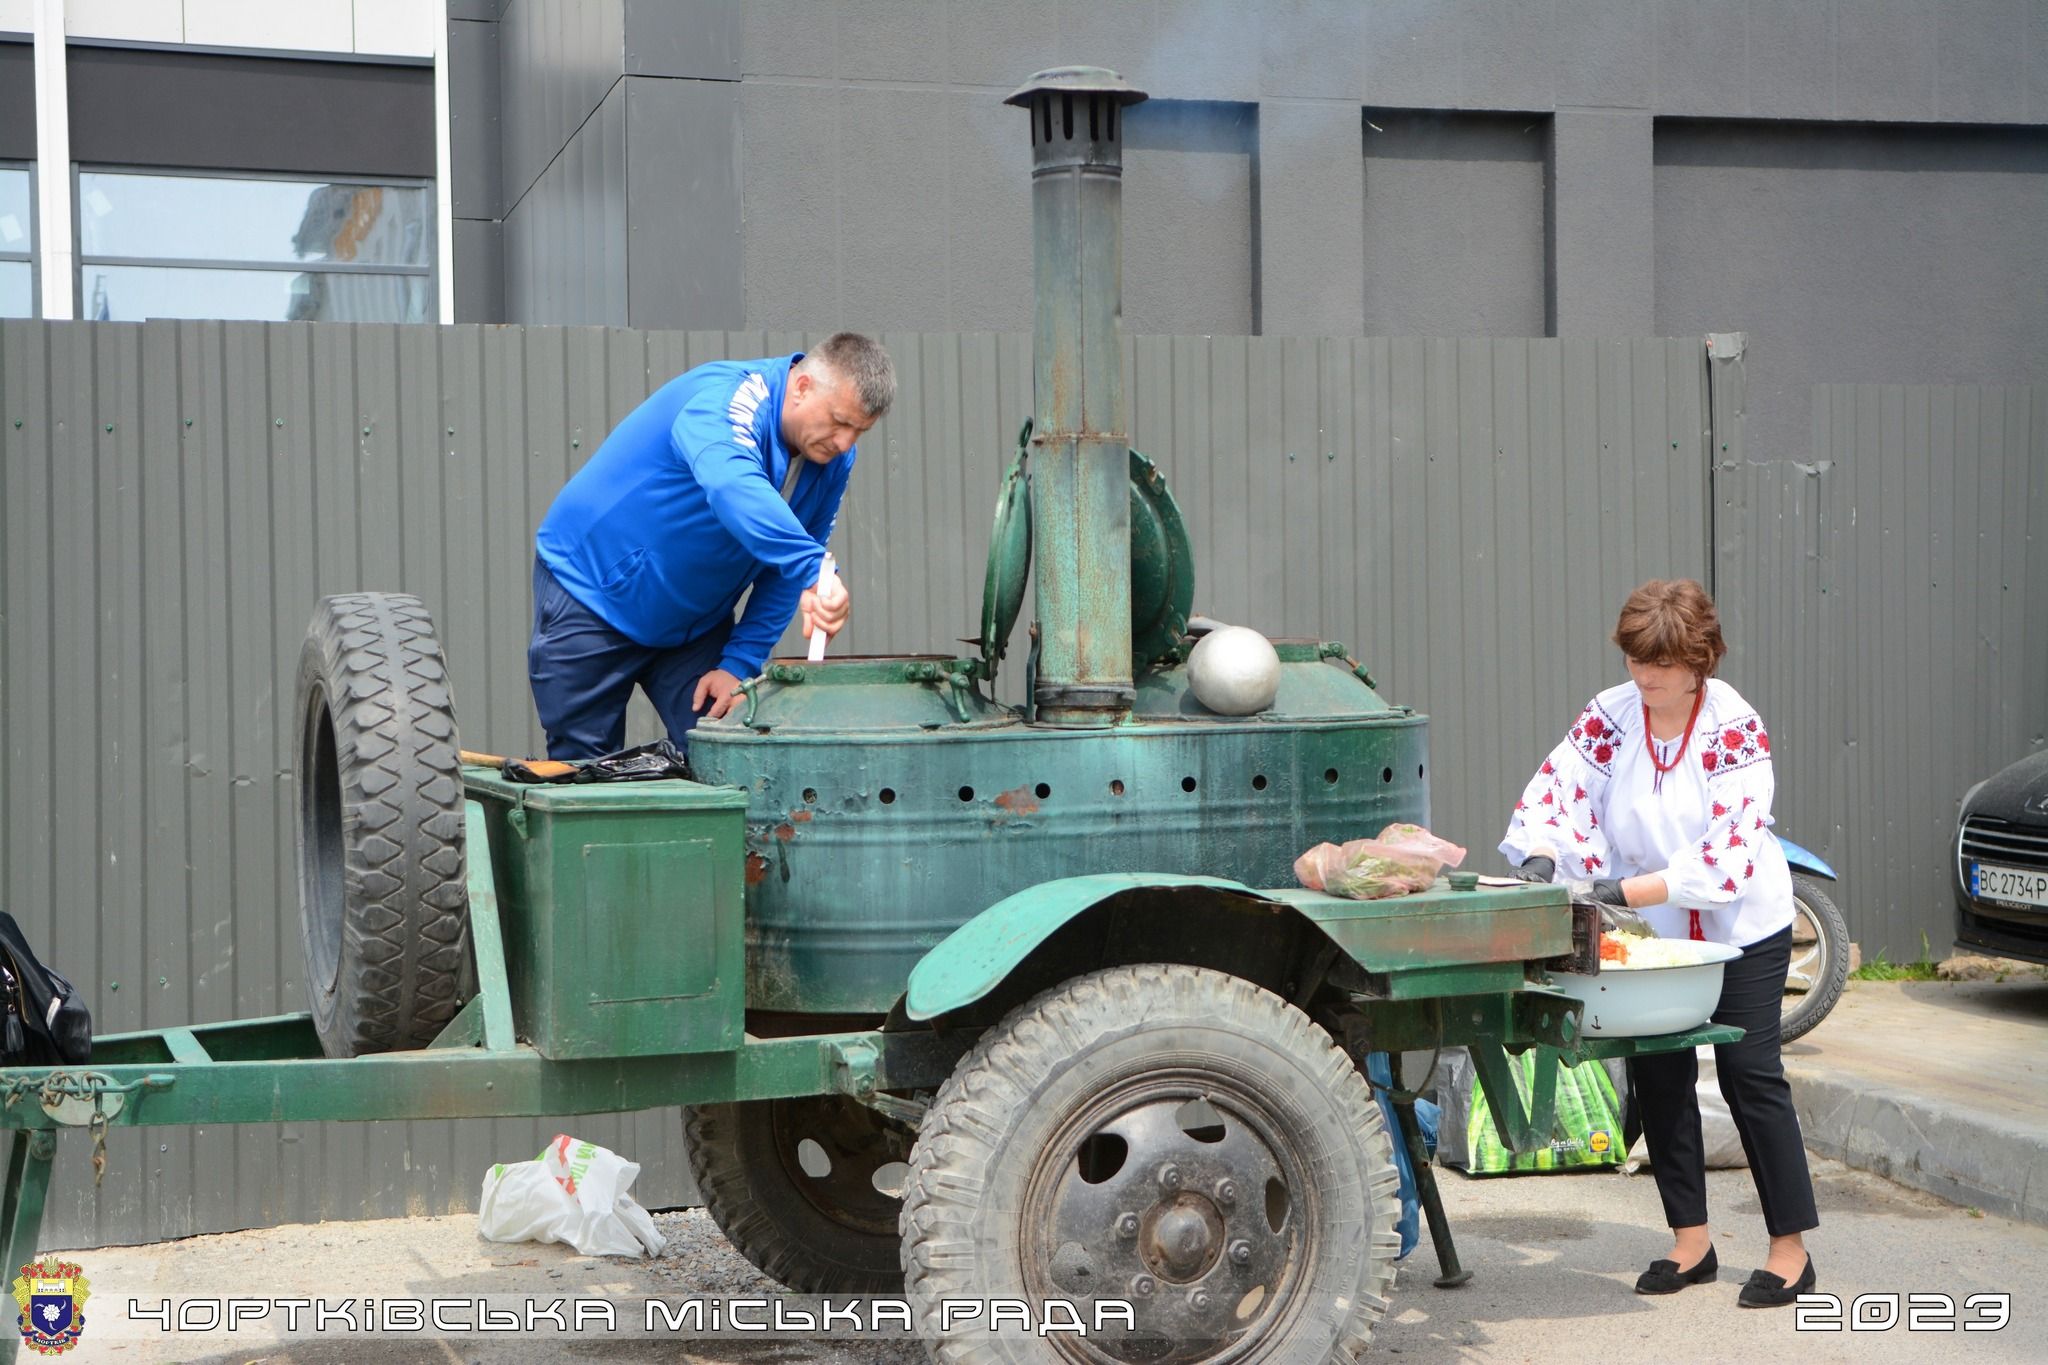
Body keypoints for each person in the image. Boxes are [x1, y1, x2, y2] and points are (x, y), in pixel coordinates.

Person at [1500, 578, 1818, 1309]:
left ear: (1699, 661)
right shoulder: (1611, 716)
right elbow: (1558, 789)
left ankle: (1791, 1249)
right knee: (1660, 1072)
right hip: (1658, 929)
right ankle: (1691, 1239)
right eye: (1637, 660)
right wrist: (1544, 857)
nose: (1646, 677)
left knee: (1749, 1071)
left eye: (1663, 665)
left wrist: (1619, 892)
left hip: (1741, 922)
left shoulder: (1733, 724)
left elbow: (1731, 849)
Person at [529, 333, 895, 759]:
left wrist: (737, 663)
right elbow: (731, 487)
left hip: (695, 627)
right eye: (839, 421)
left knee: (734, 758)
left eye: (859, 432)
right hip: (594, 596)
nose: (845, 444)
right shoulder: (726, 401)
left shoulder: (830, 459)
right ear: (802, 387)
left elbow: (783, 568)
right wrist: (814, 568)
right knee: (584, 782)